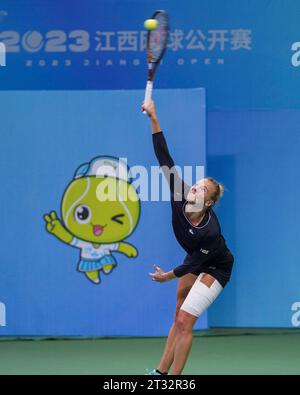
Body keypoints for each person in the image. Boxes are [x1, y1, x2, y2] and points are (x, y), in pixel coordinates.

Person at [142, 100, 234, 375]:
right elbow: (163, 155)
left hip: (215, 267)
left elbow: (193, 263)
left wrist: (168, 276)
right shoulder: (179, 193)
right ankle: (159, 374)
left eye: (202, 189)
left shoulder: (210, 231)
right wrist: (154, 117)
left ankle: (174, 379)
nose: (194, 187)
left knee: (185, 320)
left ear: (208, 202)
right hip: (193, 261)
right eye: (197, 183)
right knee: (177, 315)